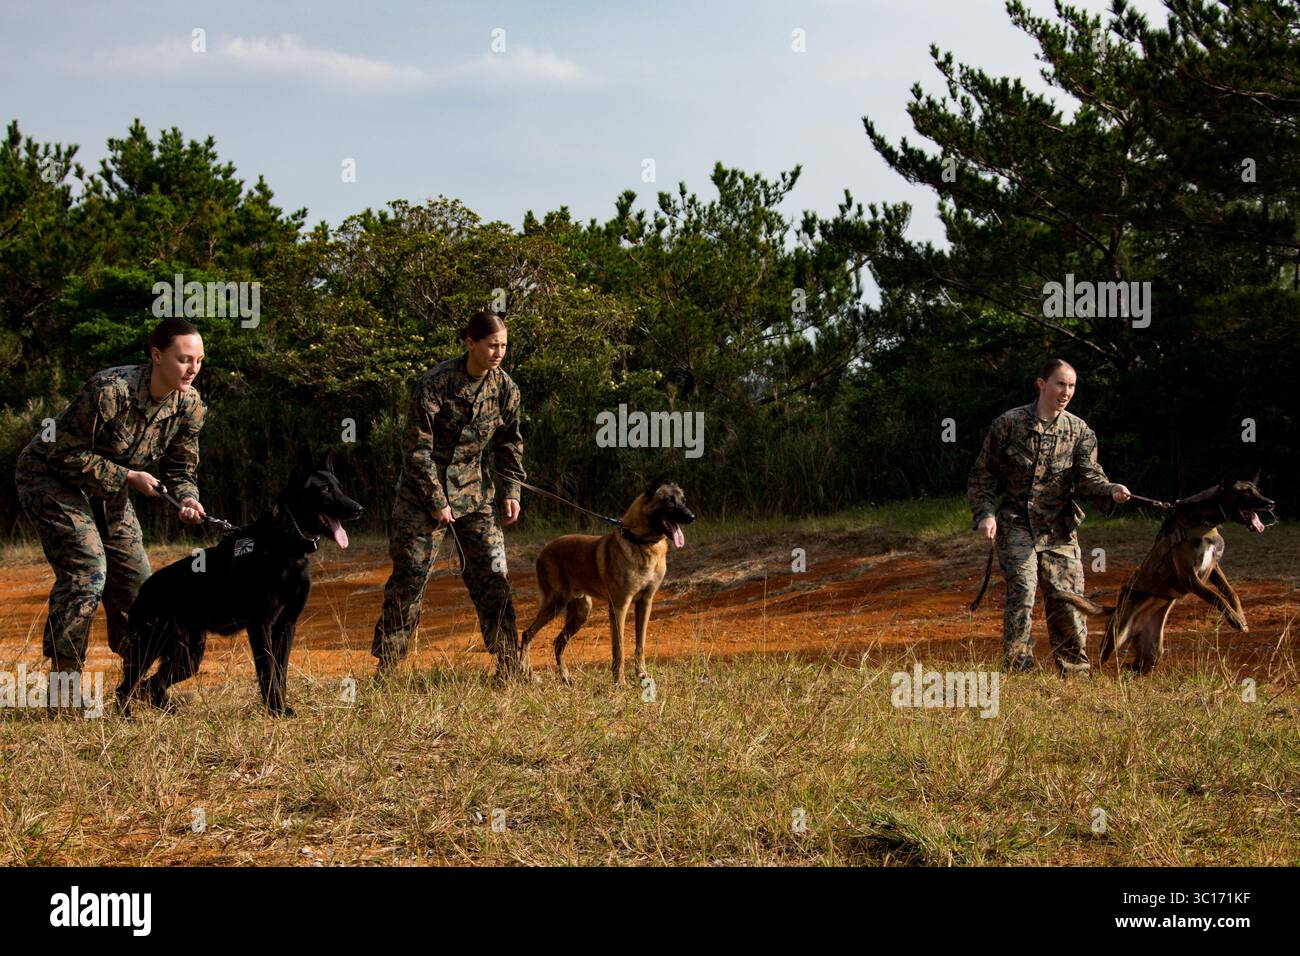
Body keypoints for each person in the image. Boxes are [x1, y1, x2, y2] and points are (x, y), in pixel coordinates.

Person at [14, 318, 208, 693]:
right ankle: (64, 690)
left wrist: (187, 498)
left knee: (138, 585)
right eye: (184, 359)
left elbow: (182, 468)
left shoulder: (191, 406)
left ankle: (131, 687)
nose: (193, 369)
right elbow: (60, 451)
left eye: (199, 360)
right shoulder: (110, 391)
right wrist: (128, 477)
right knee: (88, 570)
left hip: (108, 488)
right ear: (156, 355)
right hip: (50, 477)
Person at [372, 310, 527, 683]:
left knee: (493, 574)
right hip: (421, 496)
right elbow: (415, 451)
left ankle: (510, 665)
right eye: (492, 345)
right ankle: (389, 668)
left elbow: (509, 443)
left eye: (503, 346)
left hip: (474, 493)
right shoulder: (435, 384)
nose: (498, 353)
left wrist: (512, 490)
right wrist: (436, 500)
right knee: (411, 575)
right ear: (470, 343)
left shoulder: (505, 388)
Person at [967, 358, 1131, 674]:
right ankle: (1018, 669)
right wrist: (986, 514)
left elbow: (1088, 476)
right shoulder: (1008, 424)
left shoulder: (1079, 430)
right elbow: (982, 474)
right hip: (1015, 523)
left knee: (1066, 599)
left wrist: (1111, 489)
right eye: (1060, 384)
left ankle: (1074, 670)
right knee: (1024, 591)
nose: (1066, 392)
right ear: (1041, 384)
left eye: (1071, 386)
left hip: (1059, 529)